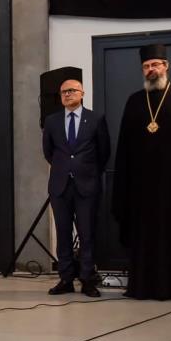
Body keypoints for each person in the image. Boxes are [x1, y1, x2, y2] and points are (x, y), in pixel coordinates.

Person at [112, 44, 171, 300]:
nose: (151, 69)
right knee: (144, 238)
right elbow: (124, 148)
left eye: (155, 64)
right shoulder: (134, 101)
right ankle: (142, 287)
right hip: (142, 190)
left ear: (166, 66)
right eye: (146, 66)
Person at [42, 78, 110, 297]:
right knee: (63, 233)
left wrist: (85, 170)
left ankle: (87, 279)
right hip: (60, 186)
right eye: (63, 92)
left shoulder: (95, 119)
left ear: (82, 93)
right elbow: (48, 152)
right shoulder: (52, 121)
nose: (67, 94)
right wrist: (65, 168)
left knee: (87, 233)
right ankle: (66, 278)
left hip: (87, 185)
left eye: (72, 90)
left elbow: (104, 152)